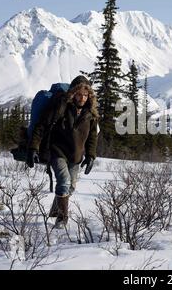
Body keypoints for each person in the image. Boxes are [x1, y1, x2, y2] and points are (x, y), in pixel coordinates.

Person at [27, 75, 99, 229]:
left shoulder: (91, 114)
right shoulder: (61, 107)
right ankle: (62, 218)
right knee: (64, 181)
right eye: (79, 94)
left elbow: (93, 136)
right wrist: (33, 147)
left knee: (70, 187)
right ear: (73, 93)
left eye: (86, 95)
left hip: (76, 155)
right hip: (57, 151)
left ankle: (55, 209)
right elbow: (41, 126)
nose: (82, 98)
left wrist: (91, 156)